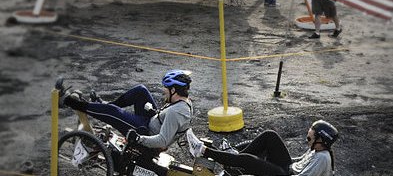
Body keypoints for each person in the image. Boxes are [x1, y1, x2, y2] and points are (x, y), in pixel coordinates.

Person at [59, 69, 193, 150]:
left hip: (145, 132)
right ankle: (105, 105)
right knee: (140, 91)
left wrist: (138, 139)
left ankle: (68, 101)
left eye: (166, 88)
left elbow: (162, 141)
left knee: (112, 112)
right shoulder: (183, 102)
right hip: (151, 121)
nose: (164, 91)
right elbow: (168, 121)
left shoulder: (177, 112)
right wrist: (157, 113)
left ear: (174, 90)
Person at [187, 120, 338, 176]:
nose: (307, 140)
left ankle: (202, 150)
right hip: (289, 168)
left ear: (320, 140)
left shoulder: (322, 158)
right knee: (269, 136)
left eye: (309, 138)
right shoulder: (317, 149)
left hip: (287, 174)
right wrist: (272, 156)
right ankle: (233, 160)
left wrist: (267, 166)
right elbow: (299, 162)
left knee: (248, 160)